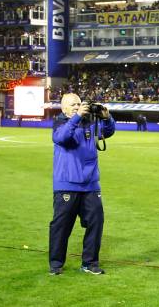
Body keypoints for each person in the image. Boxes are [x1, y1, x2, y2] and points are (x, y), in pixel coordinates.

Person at [49, 94, 115, 275]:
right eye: (73, 105)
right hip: (67, 184)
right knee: (61, 226)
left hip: (91, 184)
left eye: (79, 103)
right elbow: (62, 138)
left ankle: (90, 263)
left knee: (96, 222)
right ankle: (56, 264)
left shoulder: (90, 122)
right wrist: (77, 118)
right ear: (64, 109)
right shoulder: (60, 123)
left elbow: (108, 132)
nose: (78, 106)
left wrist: (107, 117)